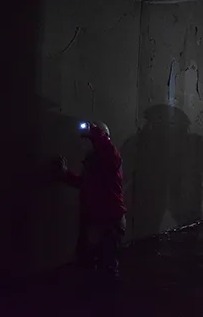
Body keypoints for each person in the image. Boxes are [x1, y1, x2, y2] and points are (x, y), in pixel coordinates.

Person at [59, 121, 127, 289]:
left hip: (109, 221)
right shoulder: (97, 162)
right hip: (96, 219)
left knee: (107, 267)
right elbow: (85, 183)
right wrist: (65, 174)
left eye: (90, 140)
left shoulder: (111, 159)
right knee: (90, 264)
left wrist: (94, 131)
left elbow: (109, 151)